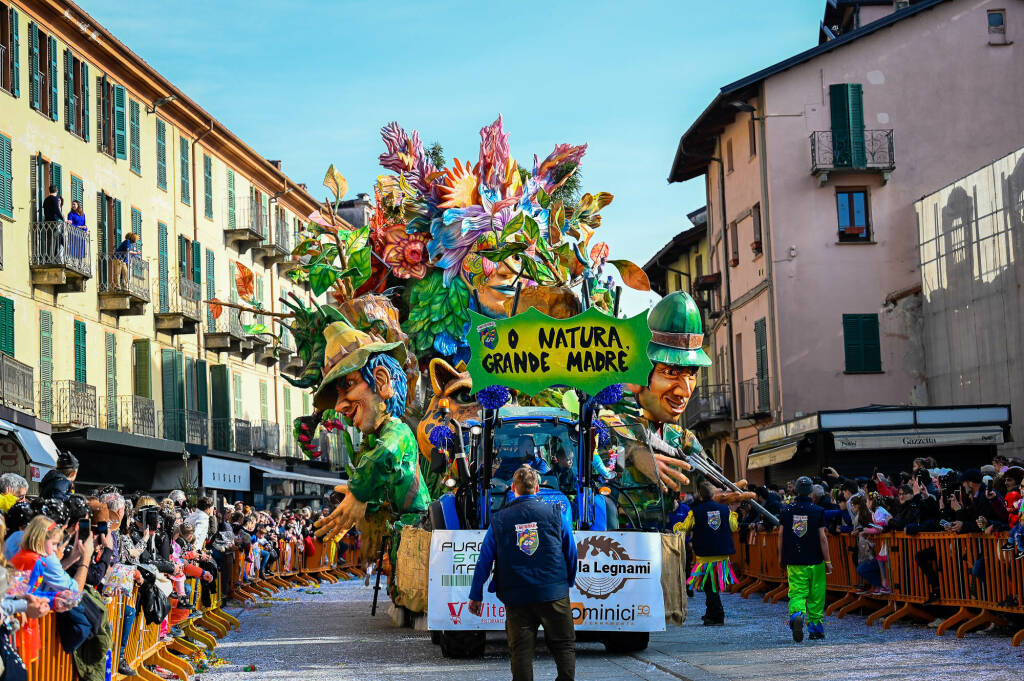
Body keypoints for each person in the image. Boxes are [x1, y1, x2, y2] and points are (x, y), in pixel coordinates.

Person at [469, 466, 577, 681]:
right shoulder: (557, 513)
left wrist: (476, 595)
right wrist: (568, 581)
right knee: (564, 645)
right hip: (554, 592)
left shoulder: (499, 520)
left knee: (520, 652)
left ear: (512, 488)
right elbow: (571, 551)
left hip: (517, 596)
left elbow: (484, 560)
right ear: (538, 488)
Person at [778, 476, 831, 641]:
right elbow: (822, 538)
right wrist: (828, 561)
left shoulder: (786, 510)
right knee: (816, 595)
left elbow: (780, 535)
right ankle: (815, 629)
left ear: (795, 490)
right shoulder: (818, 510)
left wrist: (781, 557)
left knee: (797, 593)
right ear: (811, 492)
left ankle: (797, 616)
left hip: (794, 561)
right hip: (815, 560)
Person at [681, 482, 738, 626]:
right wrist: (734, 513)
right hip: (721, 555)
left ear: (700, 495)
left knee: (709, 586)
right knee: (710, 586)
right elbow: (734, 527)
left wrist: (675, 528)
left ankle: (717, 615)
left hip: (704, 556)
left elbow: (685, 527)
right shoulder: (725, 510)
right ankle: (711, 613)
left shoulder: (695, 511)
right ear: (713, 494)